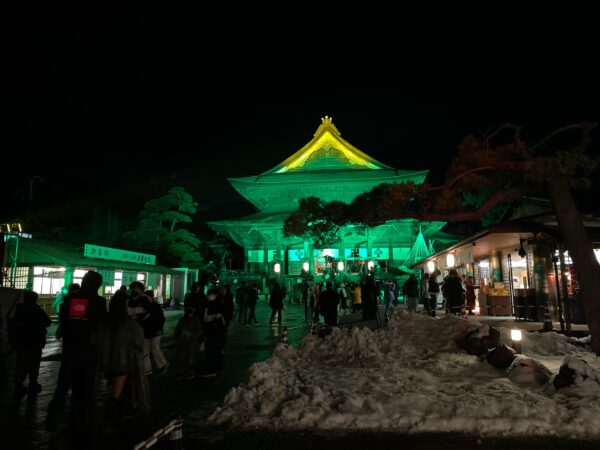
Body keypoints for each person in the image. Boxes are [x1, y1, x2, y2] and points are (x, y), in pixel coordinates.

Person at [59, 270, 107, 422]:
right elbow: (101, 323)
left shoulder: (71, 297)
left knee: (68, 375)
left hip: (71, 343)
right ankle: (82, 410)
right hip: (89, 346)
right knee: (86, 379)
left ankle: (65, 408)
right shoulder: (99, 301)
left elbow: (64, 319)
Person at [96, 292, 147, 430]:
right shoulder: (129, 323)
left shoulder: (105, 322)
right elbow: (139, 342)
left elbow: (96, 341)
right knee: (118, 392)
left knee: (116, 389)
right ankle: (109, 418)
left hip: (107, 362)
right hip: (124, 361)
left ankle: (118, 415)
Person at [12, 290, 51, 400]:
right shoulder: (36, 309)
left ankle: (18, 385)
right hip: (35, 342)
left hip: (22, 341)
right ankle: (33, 384)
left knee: (21, 364)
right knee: (34, 364)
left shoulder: (18, 309)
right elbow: (47, 322)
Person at [203, 288, 227, 377]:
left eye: (210, 295)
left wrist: (211, 317)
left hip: (213, 331)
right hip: (219, 331)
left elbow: (208, 319)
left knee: (211, 350)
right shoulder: (221, 303)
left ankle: (211, 370)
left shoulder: (213, 304)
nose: (209, 296)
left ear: (215, 295)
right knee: (218, 350)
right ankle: (220, 369)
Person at [144, 290, 168, 374]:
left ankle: (162, 364)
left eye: (147, 297)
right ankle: (147, 369)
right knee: (146, 350)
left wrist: (159, 329)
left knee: (155, 349)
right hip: (147, 331)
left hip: (155, 331)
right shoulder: (145, 306)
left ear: (151, 297)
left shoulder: (156, 306)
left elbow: (161, 319)